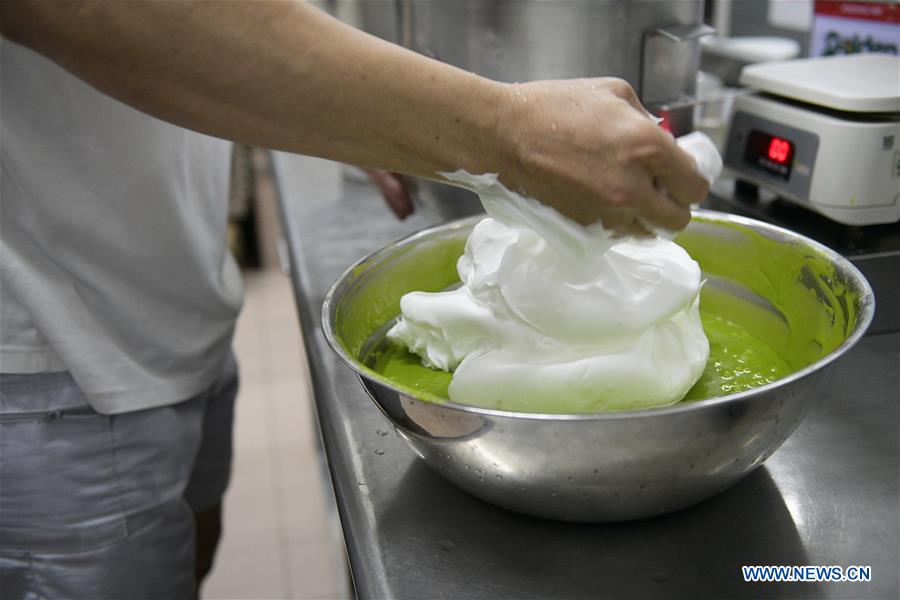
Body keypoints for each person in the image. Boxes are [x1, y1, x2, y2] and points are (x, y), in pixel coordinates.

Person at [0, 2, 710, 598]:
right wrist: (504, 131)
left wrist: (353, 114)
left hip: (158, 294)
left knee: (191, 554)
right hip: (49, 358)